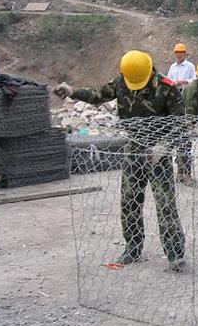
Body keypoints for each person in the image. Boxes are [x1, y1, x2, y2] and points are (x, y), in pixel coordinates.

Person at [53, 50, 186, 271]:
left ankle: (174, 253)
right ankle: (132, 247)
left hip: (157, 154)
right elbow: (98, 95)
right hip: (133, 150)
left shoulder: (167, 87)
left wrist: (164, 147)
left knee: (166, 206)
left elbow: (180, 123)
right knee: (129, 201)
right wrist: (72, 91)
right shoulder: (123, 81)